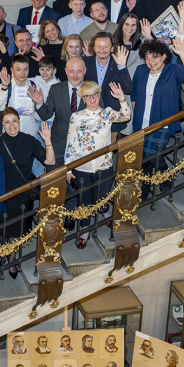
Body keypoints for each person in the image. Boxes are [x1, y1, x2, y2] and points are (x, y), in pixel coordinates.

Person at [64, 79, 131, 248]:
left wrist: (122, 99)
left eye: (94, 94)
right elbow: (70, 143)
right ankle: (85, 231)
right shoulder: (76, 117)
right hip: (81, 168)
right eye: (87, 96)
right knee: (84, 203)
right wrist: (68, 168)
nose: (92, 98)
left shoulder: (107, 113)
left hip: (104, 166)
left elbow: (126, 117)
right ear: (83, 99)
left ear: (99, 95)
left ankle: (105, 212)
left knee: (101, 201)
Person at [0, 113, 54, 275]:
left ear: (19, 122)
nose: (11, 125)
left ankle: (11, 258)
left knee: (17, 231)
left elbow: (50, 161)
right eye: (7, 122)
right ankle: (5, 250)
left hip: (22, 192)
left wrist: (47, 140)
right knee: (2, 228)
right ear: (2, 124)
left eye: (14, 121)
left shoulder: (28, 140)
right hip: (1, 192)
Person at [130, 39, 184, 166]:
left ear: (164, 56)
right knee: (142, 155)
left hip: (162, 124)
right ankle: (149, 183)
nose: (150, 62)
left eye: (154, 57)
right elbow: (134, 94)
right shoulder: (141, 70)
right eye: (147, 58)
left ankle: (163, 180)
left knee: (153, 155)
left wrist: (182, 54)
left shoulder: (173, 70)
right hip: (141, 122)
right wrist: (137, 113)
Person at [31, 56, 87, 168]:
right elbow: (46, 115)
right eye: (71, 71)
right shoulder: (56, 89)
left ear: (85, 71)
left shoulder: (93, 89)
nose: (75, 75)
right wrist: (39, 103)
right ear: (66, 71)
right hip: (59, 148)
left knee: (81, 184)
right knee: (54, 183)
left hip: (84, 147)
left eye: (79, 71)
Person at [84, 32, 135, 140]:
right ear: (93, 48)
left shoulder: (118, 64)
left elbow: (128, 89)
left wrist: (122, 67)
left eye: (106, 46)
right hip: (89, 119)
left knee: (108, 155)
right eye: (99, 46)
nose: (102, 49)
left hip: (112, 122)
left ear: (112, 48)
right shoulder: (85, 63)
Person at [0, 55, 41, 137]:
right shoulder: (6, 86)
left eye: (25, 69)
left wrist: (37, 105)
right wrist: (5, 87)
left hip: (30, 133)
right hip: (10, 132)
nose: (22, 73)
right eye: (18, 70)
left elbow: (38, 117)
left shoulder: (34, 87)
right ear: (12, 70)